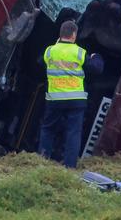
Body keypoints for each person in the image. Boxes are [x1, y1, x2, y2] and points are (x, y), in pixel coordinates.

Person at [39, 20, 103, 168]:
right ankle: (69, 166)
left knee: (48, 130)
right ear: (74, 34)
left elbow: (43, 63)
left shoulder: (49, 51)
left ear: (60, 34)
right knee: (73, 133)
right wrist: (97, 57)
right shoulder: (79, 52)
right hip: (75, 100)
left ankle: (42, 161)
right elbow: (97, 69)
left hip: (54, 99)